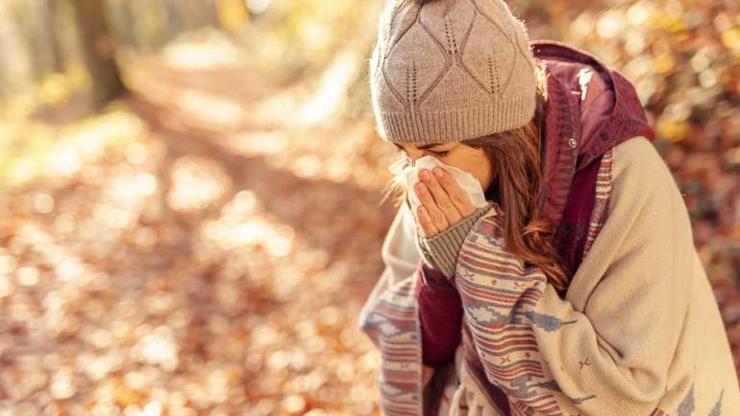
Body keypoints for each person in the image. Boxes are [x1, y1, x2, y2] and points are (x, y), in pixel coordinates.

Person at [356, 0, 740, 415]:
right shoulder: (437, 185)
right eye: (404, 152)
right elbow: (417, 352)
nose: (419, 171)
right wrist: (441, 273)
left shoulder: (621, 179)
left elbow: (626, 391)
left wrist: (481, 262)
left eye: (439, 151)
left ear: (501, 134)